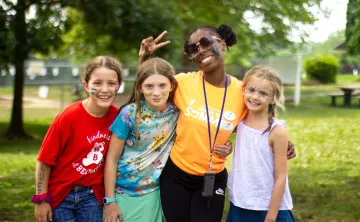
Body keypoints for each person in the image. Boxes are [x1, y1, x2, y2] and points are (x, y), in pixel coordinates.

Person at [139, 25, 296, 222]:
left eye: (205, 42)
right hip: (176, 175)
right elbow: (147, 91)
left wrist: (283, 145)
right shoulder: (182, 83)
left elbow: (257, 126)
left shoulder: (243, 92)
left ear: (222, 44)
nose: (201, 50)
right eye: (193, 49)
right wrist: (144, 58)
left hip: (213, 179)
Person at [32, 56, 123, 222]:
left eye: (111, 83)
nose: (105, 89)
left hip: (92, 195)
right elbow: (44, 161)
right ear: (86, 86)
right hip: (61, 195)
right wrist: (41, 199)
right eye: (97, 83)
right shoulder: (68, 117)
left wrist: (143, 58)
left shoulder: (118, 117)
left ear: (118, 86)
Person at [103, 57, 179, 222]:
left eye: (162, 85)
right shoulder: (129, 114)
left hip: (153, 192)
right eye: (149, 86)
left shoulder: (177, 112)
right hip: (121, 192)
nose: (156, 92)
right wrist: (110, 201)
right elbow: (111, 159)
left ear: (172, 85)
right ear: (140, 87)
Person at [227, 65, 294, 222]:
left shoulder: (276, 131)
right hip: (240, 203)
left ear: (273, 98)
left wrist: (271, 217)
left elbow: (280, 178)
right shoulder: (239, 122)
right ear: (243, 89)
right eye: (251, 90)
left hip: (269, 209)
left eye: (263, 93)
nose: (255, 97)